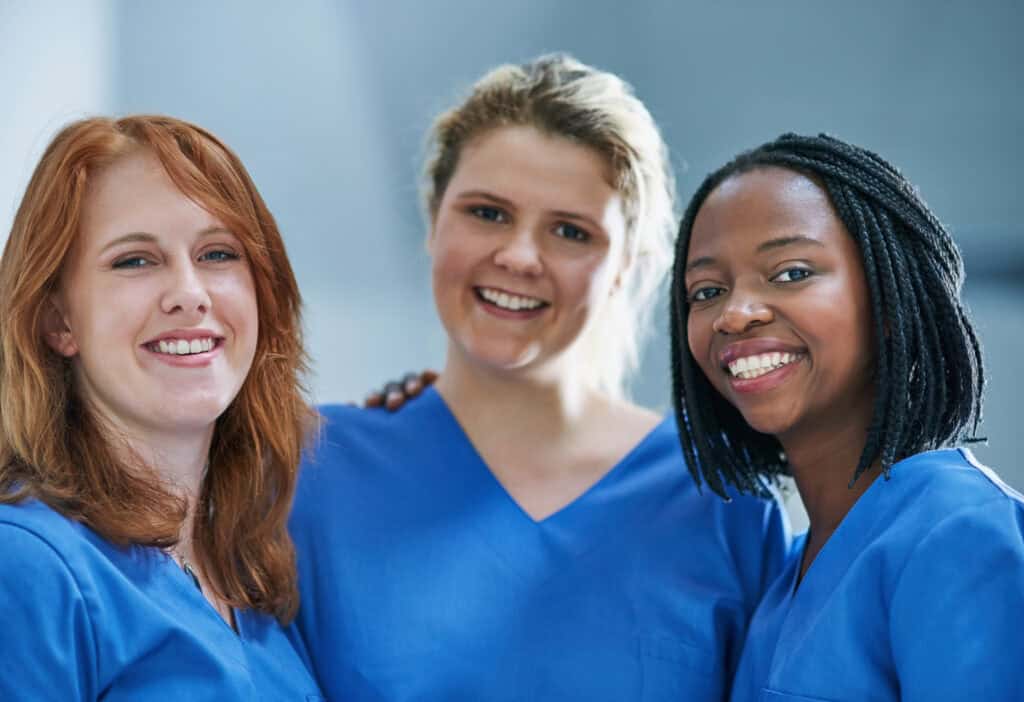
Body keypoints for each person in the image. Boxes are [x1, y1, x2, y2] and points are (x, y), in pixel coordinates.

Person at [290, 54, 789, 701]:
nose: (520, 256)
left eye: (570, 231)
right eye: (487, 213)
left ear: (627, 269)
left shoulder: (723, 504)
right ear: (434, 218)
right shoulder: (306, 474)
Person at [670, 133, 1024, 701]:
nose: (734, 315)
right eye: (706, 290)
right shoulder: (786, 582)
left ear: (890, 298)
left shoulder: (959, 534)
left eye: (790, 273)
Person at [0, 116, 323, 700]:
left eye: (218, 253)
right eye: (135, 261)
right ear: (58, 320)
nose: (189, 293)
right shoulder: (25, 565)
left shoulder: (250, 574)